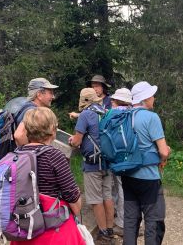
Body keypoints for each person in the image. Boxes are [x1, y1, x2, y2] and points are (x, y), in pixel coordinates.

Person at [11, 107, 84, 245]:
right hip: (50, 230)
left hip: (24, 228)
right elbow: (73, 199)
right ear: (52, 130)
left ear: (27, 129)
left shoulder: (16, 155)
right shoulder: (54, 156)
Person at [122, 81, 171, 245]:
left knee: (130, 220)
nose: (154, 98)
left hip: (127, 174)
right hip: (148, 178)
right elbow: (163, 151)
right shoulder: (151, 117)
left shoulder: (124, 116)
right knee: (153, 220)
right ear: (145, 98)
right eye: (152, 95)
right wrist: (165, 156)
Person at [69, 88, 115, 244]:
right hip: (108, 162)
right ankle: (110, 229)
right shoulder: (106, 112)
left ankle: (103, 233)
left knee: (96, 200)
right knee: (107, 196)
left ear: (84, 101)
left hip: (92, 164)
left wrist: (72, 141)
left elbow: (77, 141)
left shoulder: (85, 115)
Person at [108, 88, 133, 236]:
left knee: (121, 189)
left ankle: (122, 224)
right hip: (131, 157)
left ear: (117, 101)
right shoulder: (133, 114)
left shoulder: (113, 114)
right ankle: (132, 221)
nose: (111, 101)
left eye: (113, 100)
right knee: (128, 189)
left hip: (117, 157)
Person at [14, 78, 58, 146]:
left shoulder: (26, 106)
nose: (53, 97)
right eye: (50, 93)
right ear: (39, 95)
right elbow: (19, 135)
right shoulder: (32, 111)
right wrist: (30, 153)